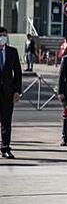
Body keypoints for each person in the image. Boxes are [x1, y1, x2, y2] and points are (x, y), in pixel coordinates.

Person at [0, 27, 22, 159]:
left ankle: (5, 148)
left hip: (7, 92)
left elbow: (18, 73)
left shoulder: (12, 52)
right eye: (0, 35)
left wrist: (17, 90)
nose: (2, 37)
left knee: (6, 122)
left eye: (4, 35)